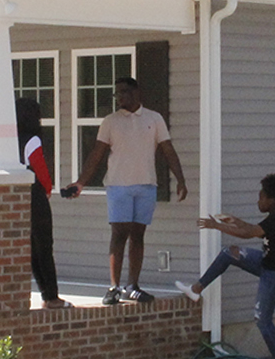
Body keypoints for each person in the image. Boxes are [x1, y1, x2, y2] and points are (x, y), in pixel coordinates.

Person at [60, 76, 188, 304]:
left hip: (146, 185)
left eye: (124, 92)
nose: (120, 97)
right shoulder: (110, 121)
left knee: (138, 235)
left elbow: (168, 150)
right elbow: (97, 154)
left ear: (136, 92)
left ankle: (133, 286)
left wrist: (180, 179)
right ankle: (113, 287)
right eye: (117, 93)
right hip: (118, 186)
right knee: (119, 235)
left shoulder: (154, 118)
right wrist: (80, 182)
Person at [178, 174, 275, 359]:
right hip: (268, 264)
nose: (258, 200)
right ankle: (196, 290)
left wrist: (217, 226)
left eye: (261, 196)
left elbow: (248, 233)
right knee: (229, 253)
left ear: (271, 199)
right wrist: (235, 220)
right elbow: (252, 229)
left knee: (262, 318)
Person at [17, 96, 65, 307]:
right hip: (34, 195)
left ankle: (46, 294)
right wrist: (47, 190)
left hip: (16, 195)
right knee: (44, 246)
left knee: (31, 249)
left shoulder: (10, 138)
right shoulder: (32, 139)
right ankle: (51, 296)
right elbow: (41, 169)